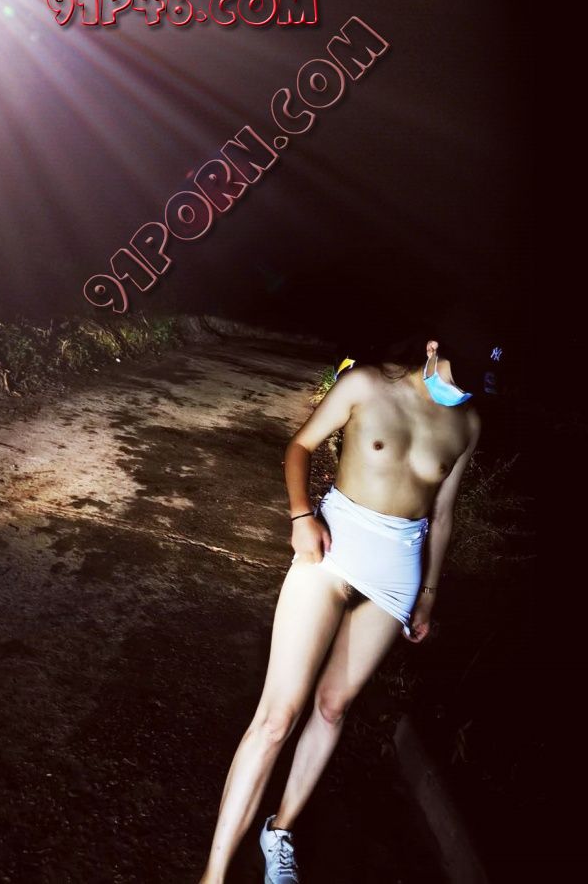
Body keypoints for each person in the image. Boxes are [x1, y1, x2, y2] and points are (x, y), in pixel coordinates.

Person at [198, 328, 481, 884]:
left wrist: (428, 594)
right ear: (432, 348)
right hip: (333, 551)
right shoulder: (366, 384)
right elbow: (299, 446)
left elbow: (443, 515)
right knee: (277, 719)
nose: (460, 389)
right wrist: (301, 515)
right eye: (455, 375)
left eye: (472, 384)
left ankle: (279, 831)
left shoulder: (468, 422)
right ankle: (214, 873)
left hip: (398, 577)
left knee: (332, 708)